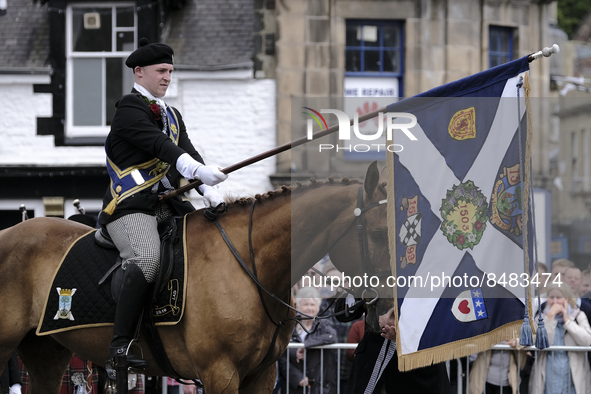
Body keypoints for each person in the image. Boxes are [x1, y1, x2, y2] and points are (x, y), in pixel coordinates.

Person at [98, 38, 228, 370]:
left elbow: (187, 150)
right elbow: (160, 146)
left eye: (170, 70)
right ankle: (120, 347)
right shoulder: (129, 108)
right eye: (161, 71)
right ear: (139, 73)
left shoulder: (172, 115)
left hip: (167, 204)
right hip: (130, 206)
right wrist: (195, 170)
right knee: (147, 258)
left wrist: (205, 190)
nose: (167, 77)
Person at [529, 284, 591, 394]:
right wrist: (550, 318)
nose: (555, 301)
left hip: (572, 376)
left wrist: (568, 321)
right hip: (549, 376)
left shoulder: (578, 315)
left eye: (558, 297)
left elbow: (587, 340)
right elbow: (542, 342)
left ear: (566, 298)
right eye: (551, 297)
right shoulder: (541, 317)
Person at [278, 287, 338, 394]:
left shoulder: (323, 324)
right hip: (294, 386)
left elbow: (332, 336)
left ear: (318, 308)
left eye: (312, 304)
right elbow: (282, 357)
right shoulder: (289, 327)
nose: (309, 308)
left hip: (319, 386)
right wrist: (297, 378)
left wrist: (305, 345)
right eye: (306, 304)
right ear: (298, 307)